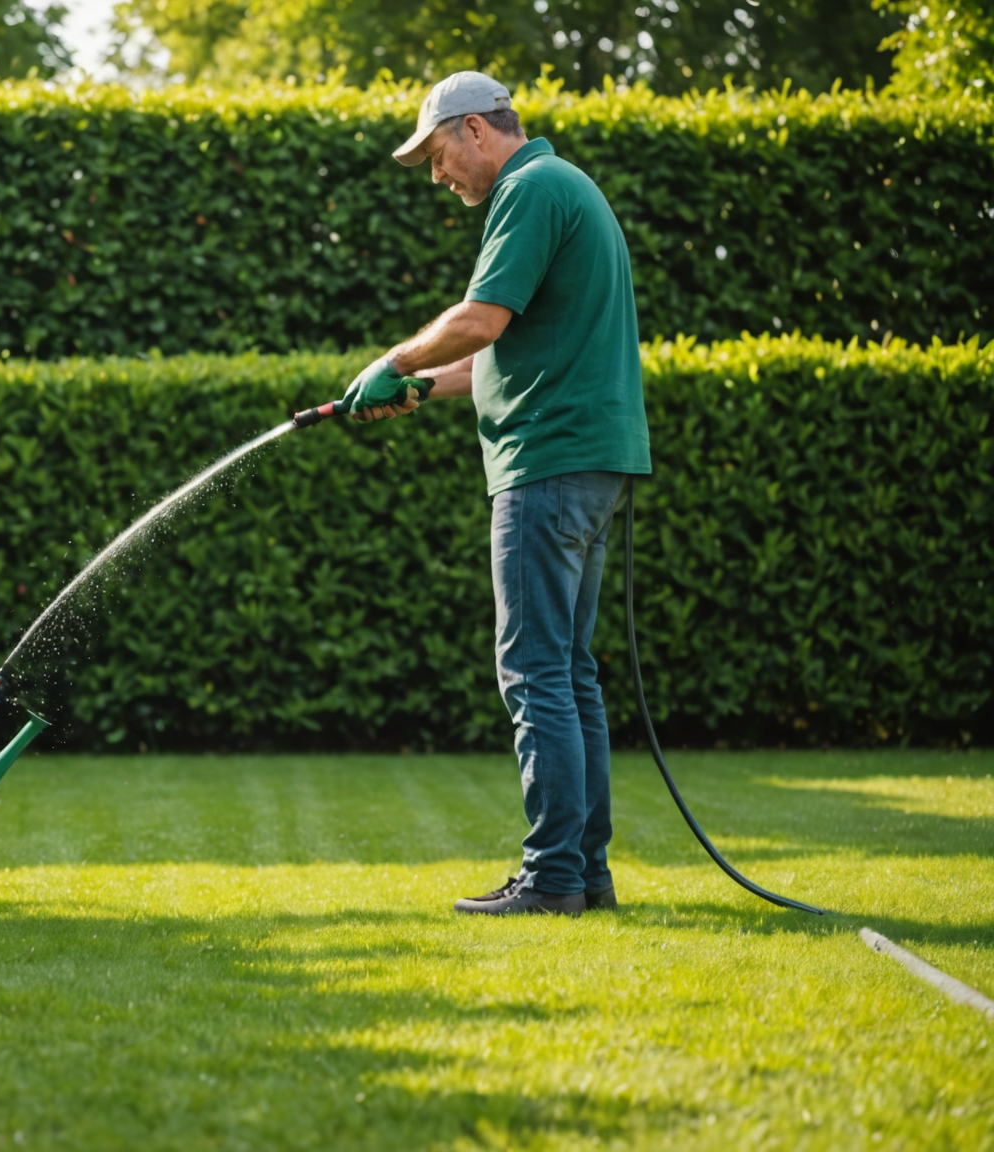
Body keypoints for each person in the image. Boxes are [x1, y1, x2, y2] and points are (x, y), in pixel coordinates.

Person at [327, 71, 652, 916]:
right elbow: (490, 361)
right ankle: (585, 875)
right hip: (587, 460)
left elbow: (480, 318)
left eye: (437, 155)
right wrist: (416, 387)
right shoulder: (566, 186)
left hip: (547, 463)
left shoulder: (531, 187)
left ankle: (550, 879)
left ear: (476, 130)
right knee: (570, 673)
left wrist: (392, 359)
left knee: (536, 671)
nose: (438, 176)